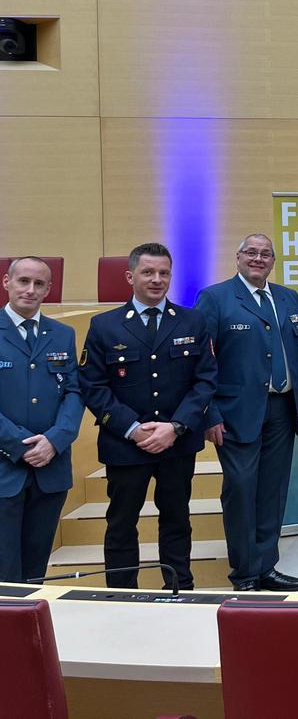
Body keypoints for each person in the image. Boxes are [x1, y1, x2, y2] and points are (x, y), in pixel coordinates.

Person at [78, 243, 217, 589]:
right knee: (122, 522)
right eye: (148, 272)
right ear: (130, 276)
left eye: (164, 273)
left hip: (177, 443)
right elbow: (93, 386)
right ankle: (124, 595)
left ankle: (179, 589)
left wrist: (176, 426)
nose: (157, 280)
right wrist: (132, 429)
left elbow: (205, 380)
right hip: (125, 446)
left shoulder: (193, 321)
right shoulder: (104, 326)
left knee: (176, 520)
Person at [194, 234, 298, 591]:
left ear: (273, 261)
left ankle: (266, 566)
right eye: (251, 252)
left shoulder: (287, 297)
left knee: (272, 491)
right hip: (235, 413)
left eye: (265, 254)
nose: (258, 258)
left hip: (283, 409)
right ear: (238, 257)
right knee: (242, 488)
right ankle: (245, 573)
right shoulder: (215, 298)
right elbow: (201, 362)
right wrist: (209, 413)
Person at [0, 257, 83, 583]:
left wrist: (55, 440)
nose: (30, 290)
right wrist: (19, 445)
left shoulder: (62, 334)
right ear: (7, 282)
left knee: (35, 571)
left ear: (49, 289)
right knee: (5, 572)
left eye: (39, 284)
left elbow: (74, 393)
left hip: (51, 467)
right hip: (6, 468)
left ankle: (28, 632)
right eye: (23, 281)